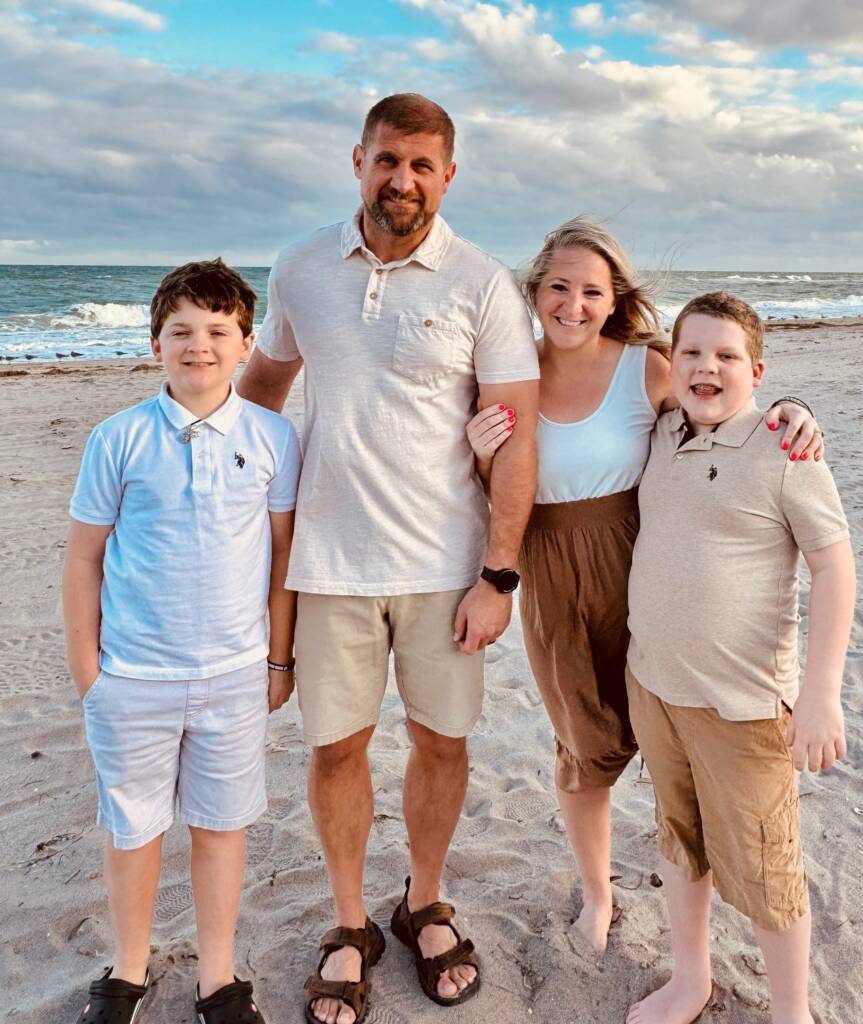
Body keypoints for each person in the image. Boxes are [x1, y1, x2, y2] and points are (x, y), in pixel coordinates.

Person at [237, 94, 539, 1024]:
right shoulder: (300, 267)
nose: (401, 180)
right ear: (357, 159)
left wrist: (498, 576)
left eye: (421, 165)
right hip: (327, 564)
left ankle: (425, 901)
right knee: (337, 748)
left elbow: (517, 434)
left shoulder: (484, 282)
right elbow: (258, 390)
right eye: (386, 160)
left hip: (447, 568)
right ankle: (348, 920)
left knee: (443, 744)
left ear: (448, 175)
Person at [467, 218, 824, 954]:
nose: (573, 304)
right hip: (555, 582)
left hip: (645, 568)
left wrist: (794, 409)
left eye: (591, 291)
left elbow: (718, 413)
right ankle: (599, 895)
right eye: (559, 287)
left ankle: (690, 887)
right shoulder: (508, 372)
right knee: (583, 752)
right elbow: (497, 496)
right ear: (535, 291)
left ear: (612, 298)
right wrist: (477, 457)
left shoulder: (647, 366)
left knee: (674, 738)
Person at [64, 259, 301, 1024]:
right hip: (132, 676)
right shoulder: (118, 438)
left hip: (235, 675)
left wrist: (278, 658)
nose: (199, 346)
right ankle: (128, 969)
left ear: (244, 344)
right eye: (182, 332)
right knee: (133, 829)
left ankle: (218, 977)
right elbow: (84, 557)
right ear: (155, 341)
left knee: (221, 826)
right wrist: (87, 672)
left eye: (217, 332)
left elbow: (283, 555)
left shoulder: (271, 437)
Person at [624, 291, 855, 1024]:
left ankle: (793, 1010)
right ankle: (691, 978)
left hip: (746, 708)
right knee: (678, 839)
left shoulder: (784, 449)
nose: (706, 368)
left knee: (766, 867)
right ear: (671, 362)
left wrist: (820, 693)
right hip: (656, 689)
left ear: (756, 370)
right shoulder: (662, 432)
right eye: (691, 352)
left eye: (727, 356)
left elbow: (836, 566)